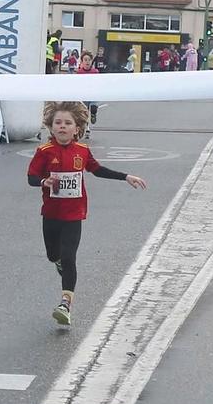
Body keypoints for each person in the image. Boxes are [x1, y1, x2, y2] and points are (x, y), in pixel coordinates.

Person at [26, 101, 146, 328]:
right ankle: (58, 262)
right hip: (51, 214)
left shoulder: (82, 151)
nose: (62, 126)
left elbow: (98, 170)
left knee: (69, 257)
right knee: (54, 255)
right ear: (50, 127)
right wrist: (44, 181)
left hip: (74, 215)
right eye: (58, 123)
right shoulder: (43, 152)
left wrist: (125, 176)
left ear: (77, 128)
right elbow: (31, 178)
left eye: (67, 123)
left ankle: (65, 304)